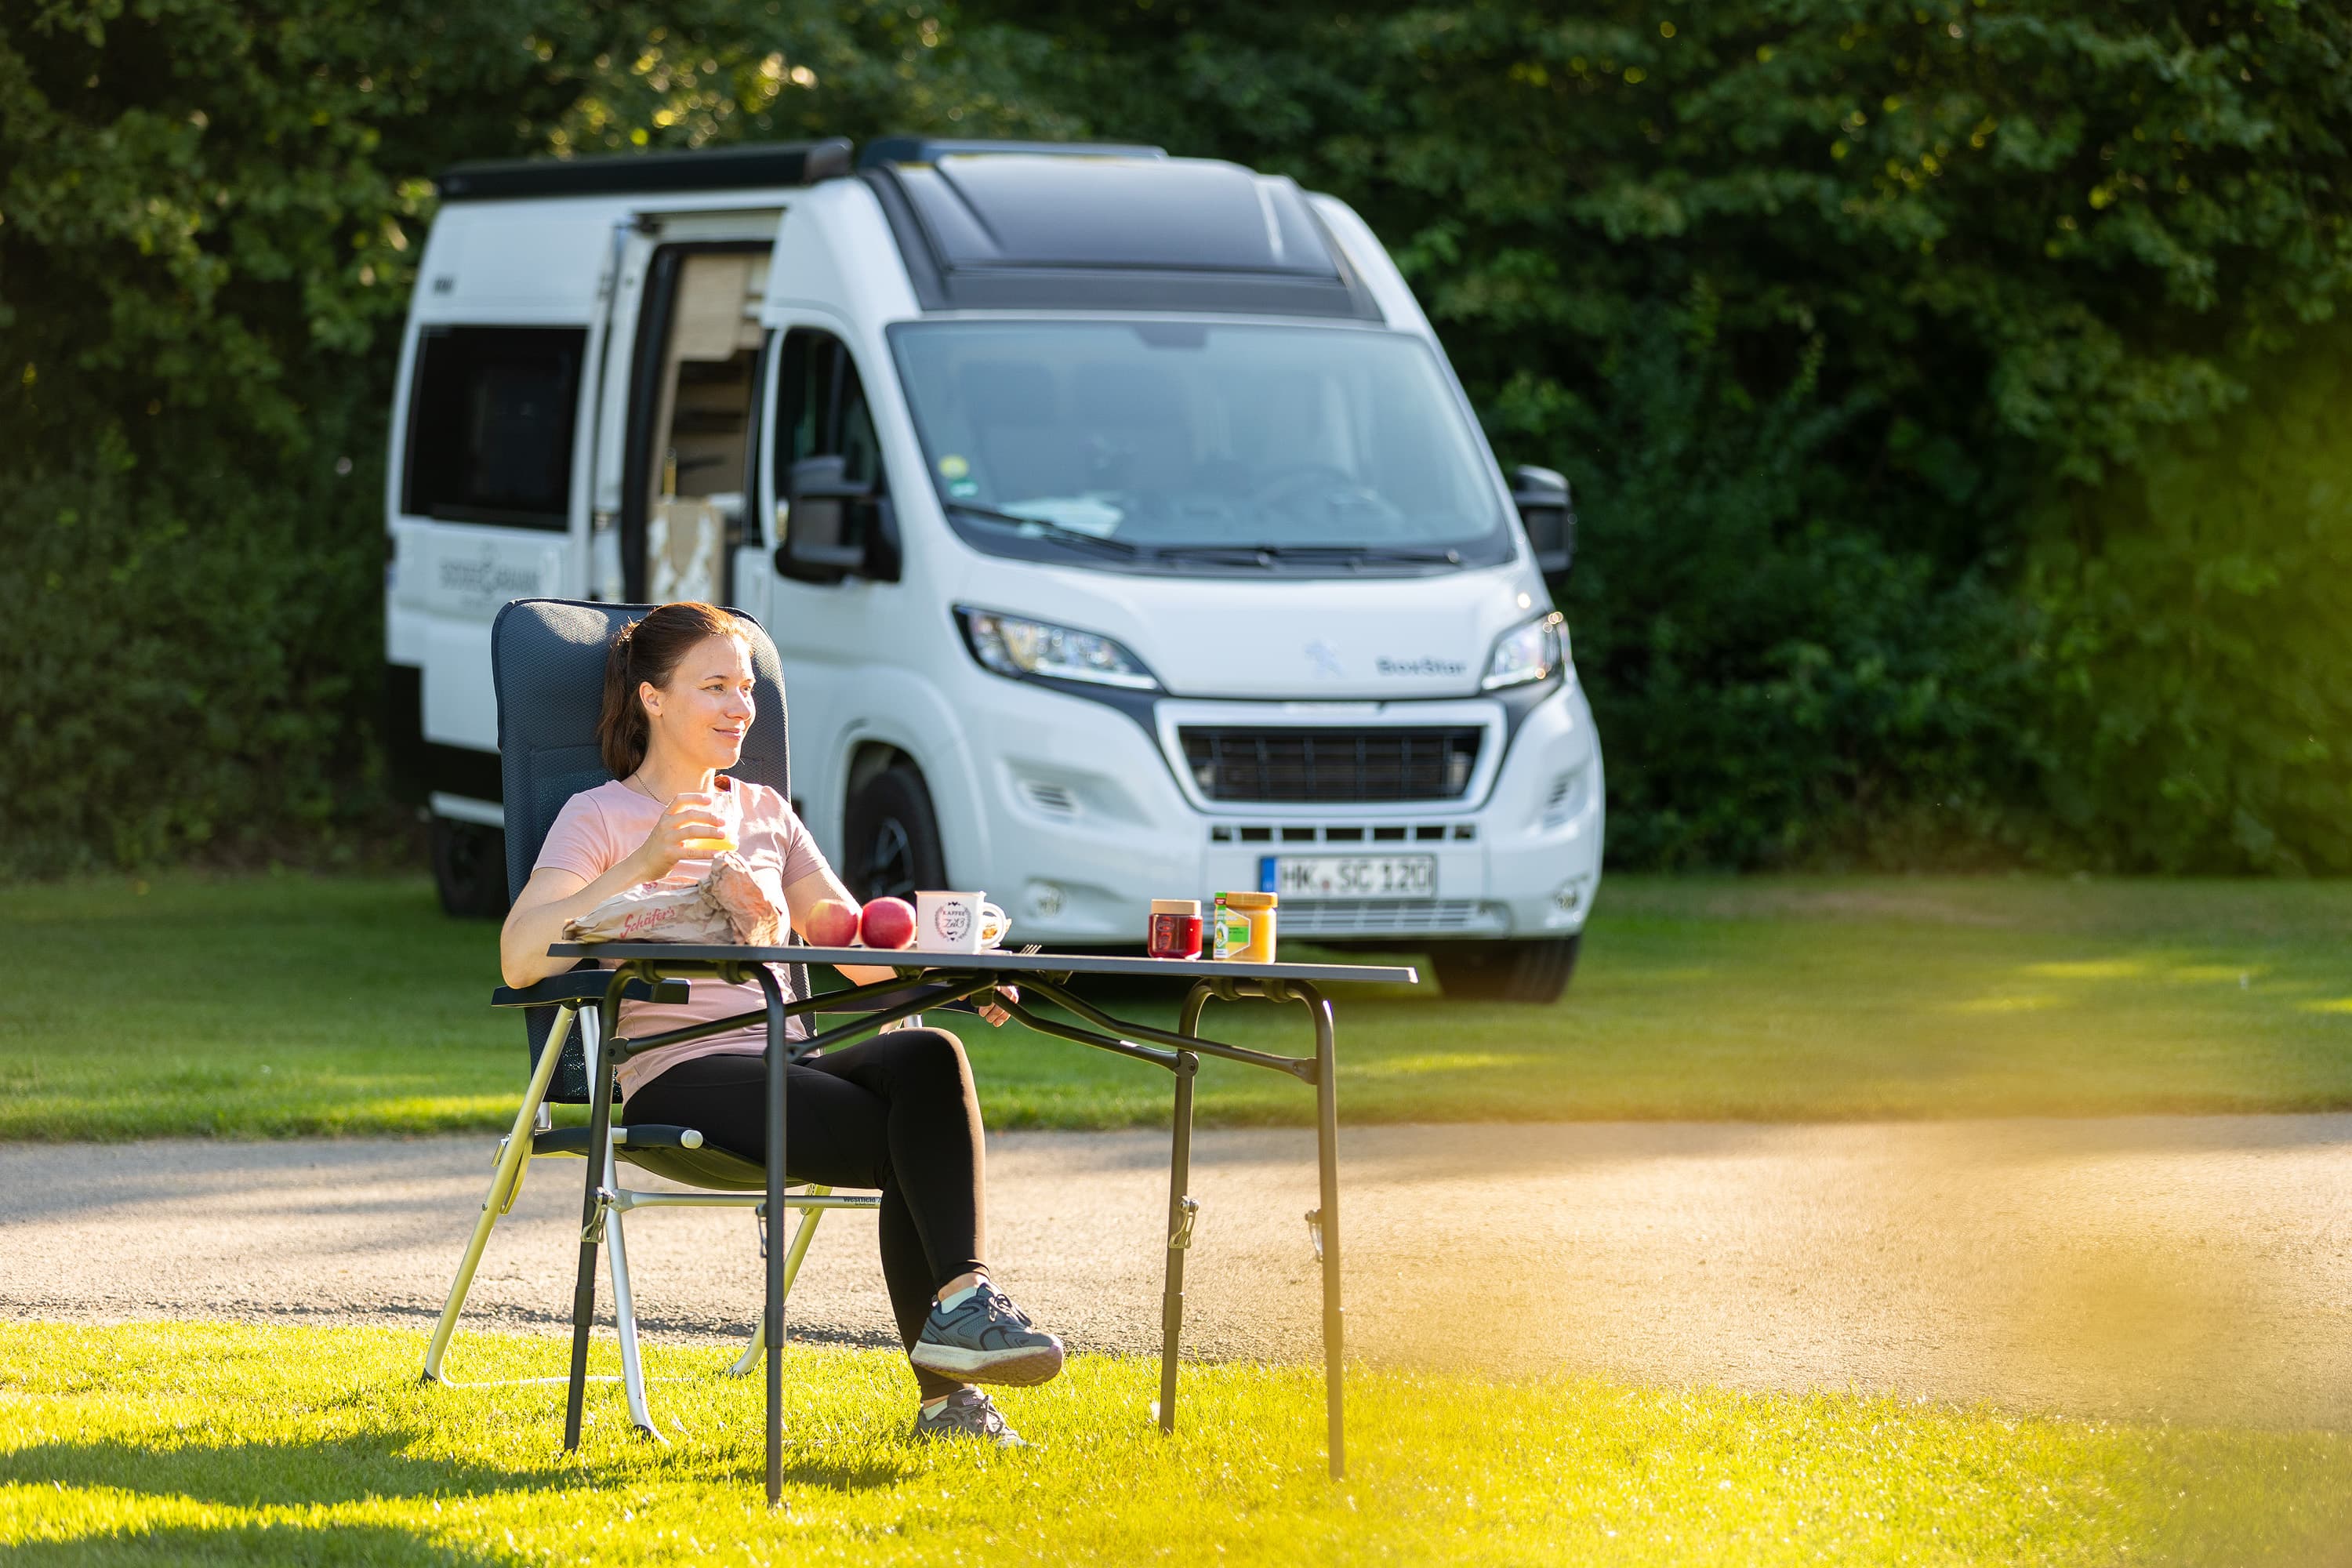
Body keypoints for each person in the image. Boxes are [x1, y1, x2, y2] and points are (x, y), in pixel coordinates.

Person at [499, 600, 1061, 1446]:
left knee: (929, 1059)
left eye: (748, 686)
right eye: (715, 686)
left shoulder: (765, 811)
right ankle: (952, 1395)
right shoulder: (600, 816)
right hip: (680, 1069)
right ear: (653, 698)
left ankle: (960, 1309)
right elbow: (520, 956)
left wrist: (958, 967)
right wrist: (647, 863)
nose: (740, 707)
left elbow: (854, 945)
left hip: (786, 1052)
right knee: (911, 1139)